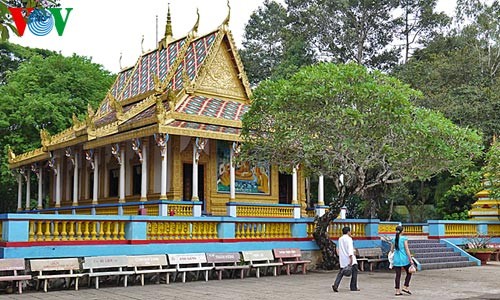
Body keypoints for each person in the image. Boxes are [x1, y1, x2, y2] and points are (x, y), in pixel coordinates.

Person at [332, 226, 360, 292]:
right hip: (349, 258)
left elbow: (337, 248)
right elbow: (350, 249)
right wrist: (351, 258)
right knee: (354, 272)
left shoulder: (340, 239)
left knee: (341, 272)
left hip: (342, 258)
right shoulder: (349, 239)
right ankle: (353, 287)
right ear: (348, 232)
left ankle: (336, 284)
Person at [391, 225, 414, 296]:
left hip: (396, 259)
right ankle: (405, 286)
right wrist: (410, 259)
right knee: (409, 272)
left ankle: (397, 291)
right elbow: (407, 250)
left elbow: (391, 250)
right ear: (401, 231)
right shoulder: (404, 238)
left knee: (398, 275)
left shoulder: (393, 239)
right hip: (404, 259)